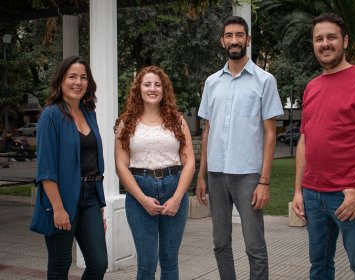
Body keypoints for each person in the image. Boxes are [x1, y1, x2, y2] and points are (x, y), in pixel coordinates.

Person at [292, 13, 355, 280]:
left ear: (345, 41)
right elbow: (305, 140)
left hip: (348, 195)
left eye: (331, 37)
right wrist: (298, 191)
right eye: (318, 39)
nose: (325, 44)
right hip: (313, 195)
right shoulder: (311, 87)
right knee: (319, 267)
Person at [196, 16, 283, 280]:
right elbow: (207, 130)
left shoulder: (265, 80)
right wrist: (201, 175)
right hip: (217, 175)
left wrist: (264, 181)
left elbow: (270, 134)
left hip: (248, 176)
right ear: (222, 40)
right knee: (220, 243)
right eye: (229, 35)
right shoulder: (212, 83)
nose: (234, 40)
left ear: (247, 39)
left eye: (239, 35)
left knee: (254, 246)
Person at [30, 55, 108, 279]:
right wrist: (57, 208)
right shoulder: (51, 115)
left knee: (99, 263)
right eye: (72, 76)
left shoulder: (89, 114)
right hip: (61, 198)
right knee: (60, 265)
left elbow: (93, 161)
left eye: (83, 77)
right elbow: (46, 169)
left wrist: (100, 206)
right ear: (61, 80)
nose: (78, 82)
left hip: (91, 198)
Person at [114, 65, 195, 280]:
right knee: (147, 262)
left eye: (157, 85)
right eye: (147, 84)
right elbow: (121, 166)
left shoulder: (177, 121)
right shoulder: (126, 122)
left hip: (174, 188)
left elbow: (189, 162)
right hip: (140, 190)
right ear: (138, 89)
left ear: (164, 90)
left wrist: (177, 198)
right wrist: (142, 200)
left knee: (169, 261)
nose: (152, 88)